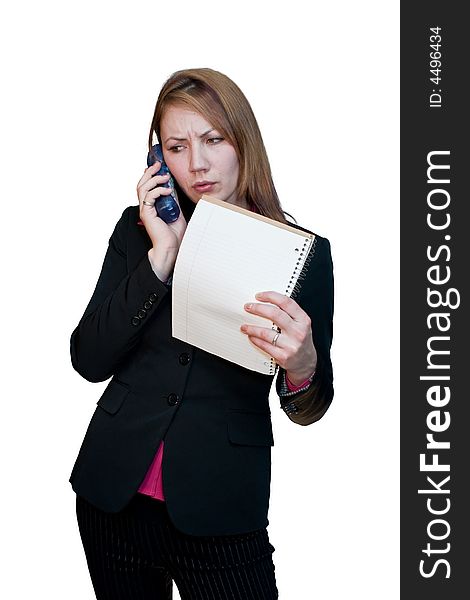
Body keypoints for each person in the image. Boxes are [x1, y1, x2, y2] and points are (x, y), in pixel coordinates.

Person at [69, 67, 334, 600]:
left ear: (243, 142)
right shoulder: (136, 230)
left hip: (221, 504)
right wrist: (161, 257)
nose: (197, 163)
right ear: (157, 157)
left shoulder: (301, 252)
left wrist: (303, 366)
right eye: (176, 145)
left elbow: (309, 406)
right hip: (113, 493)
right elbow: (88, 358)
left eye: (213, 139)